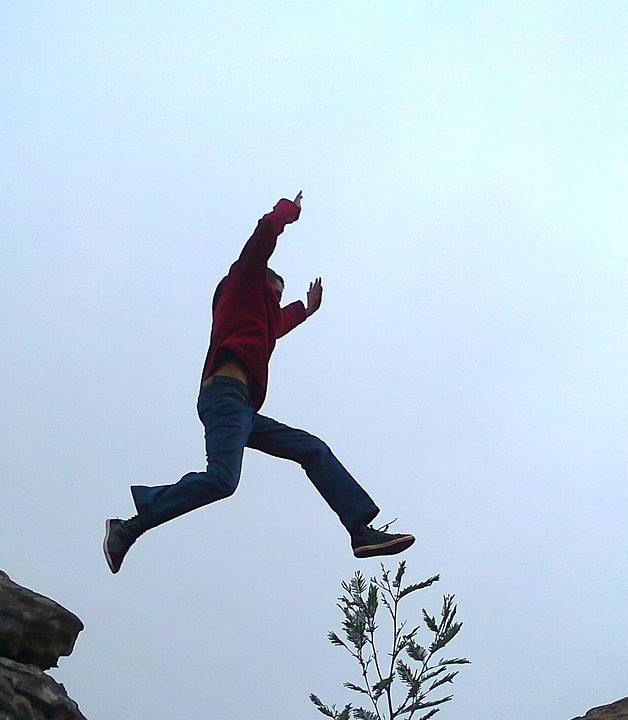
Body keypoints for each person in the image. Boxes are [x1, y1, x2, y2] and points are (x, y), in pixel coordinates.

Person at [103, 192, 415, 574]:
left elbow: (274, 327)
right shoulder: (243, 283)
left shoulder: (260, 320)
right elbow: (265, 233)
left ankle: (359, 530)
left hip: (244, 409)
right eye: (276, 294)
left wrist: (304, 308)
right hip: (224, 399)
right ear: (262, 284)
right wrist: (289, 211)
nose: (276, 303)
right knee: (222, 479)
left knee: (312, 449)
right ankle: (129, 528)